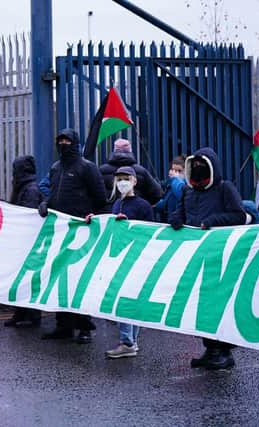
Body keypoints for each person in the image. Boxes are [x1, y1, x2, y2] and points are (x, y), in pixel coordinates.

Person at [169, 147, 249, 370]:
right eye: (193, 167)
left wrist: (213, 220)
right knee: (199, 304)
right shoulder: (188, 191)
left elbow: (239, 215)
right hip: (195, 257)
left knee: (217, 303)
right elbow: (180, 212)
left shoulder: (225, 188)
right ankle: (210, 348)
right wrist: (175, 219)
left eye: (201, 167)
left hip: (220, 257)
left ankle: (224, 351)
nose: (196, 171)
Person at [38, 128, 107, 344]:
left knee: (78, 280)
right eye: (60, 140)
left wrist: (90, 218)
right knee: (60, 278)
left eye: (67, 140)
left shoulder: (87, 168)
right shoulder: (56, 168)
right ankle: (63, 326)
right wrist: (45, 204)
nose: (63, 144)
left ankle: (84, 327)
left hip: (80, 233)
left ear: (74, 142)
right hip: (60, 232)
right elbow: (54, 193)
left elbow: (100, 198)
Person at [100, 166, 154, 358]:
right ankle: (130, 341)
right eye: (119, 179)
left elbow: (149, 232)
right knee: (126, 298)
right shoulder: (116, 204)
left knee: (124, 299)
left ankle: (127, 342)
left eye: (126, 178)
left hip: (136, 258)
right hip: (120, 257)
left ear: (134, 181)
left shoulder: (142, 206)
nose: (122, 182)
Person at [4, 155, 43, 328]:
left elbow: (28, 215)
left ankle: (33, 315)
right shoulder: (24, 188)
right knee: (20, 279)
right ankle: (20, 312)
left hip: (28, 241)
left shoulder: (31, 189)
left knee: (27, 279)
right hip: (21, 241)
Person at [99, 138, 162, 212]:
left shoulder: (102, 170)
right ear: (130, 151)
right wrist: (143, 204)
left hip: (108, 214)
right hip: (135, 213)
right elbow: (156, 193)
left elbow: (95, 193)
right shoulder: (141, 171)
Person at [154, 156, 186, 223]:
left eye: (179, 171)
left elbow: (180, 195)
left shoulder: (183, 184)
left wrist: (175, 179)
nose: (175, 173)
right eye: (173, 169)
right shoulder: (171, 184)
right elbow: (166, 202)